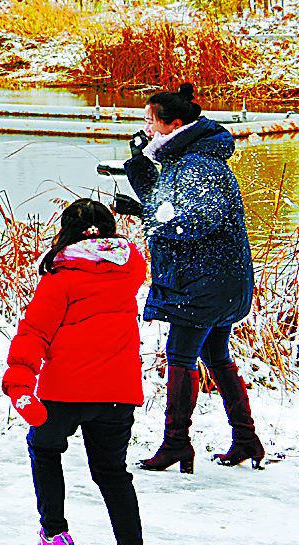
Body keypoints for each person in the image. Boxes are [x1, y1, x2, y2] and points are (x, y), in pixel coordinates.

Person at [112, 82, 262, 473]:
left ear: (174, 124)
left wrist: (145, 217)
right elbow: (167, 204)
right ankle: (246, 439)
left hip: (205, 283)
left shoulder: (199, 165)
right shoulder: (186, 158)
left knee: (181, 357)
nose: (145, 126)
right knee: (216, 355)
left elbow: (195, 222)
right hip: (216, 280)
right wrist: (140, 164)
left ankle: (177, 443)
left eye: (150, 120)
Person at [4, 198, 150, 545]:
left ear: (66, 231)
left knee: (45, 447)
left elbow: (35, 332)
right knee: (112, 473)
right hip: (118, 393)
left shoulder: (61, 278)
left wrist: (21, 381)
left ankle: (54, 534)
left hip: (65, 392)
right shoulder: (128, 271)